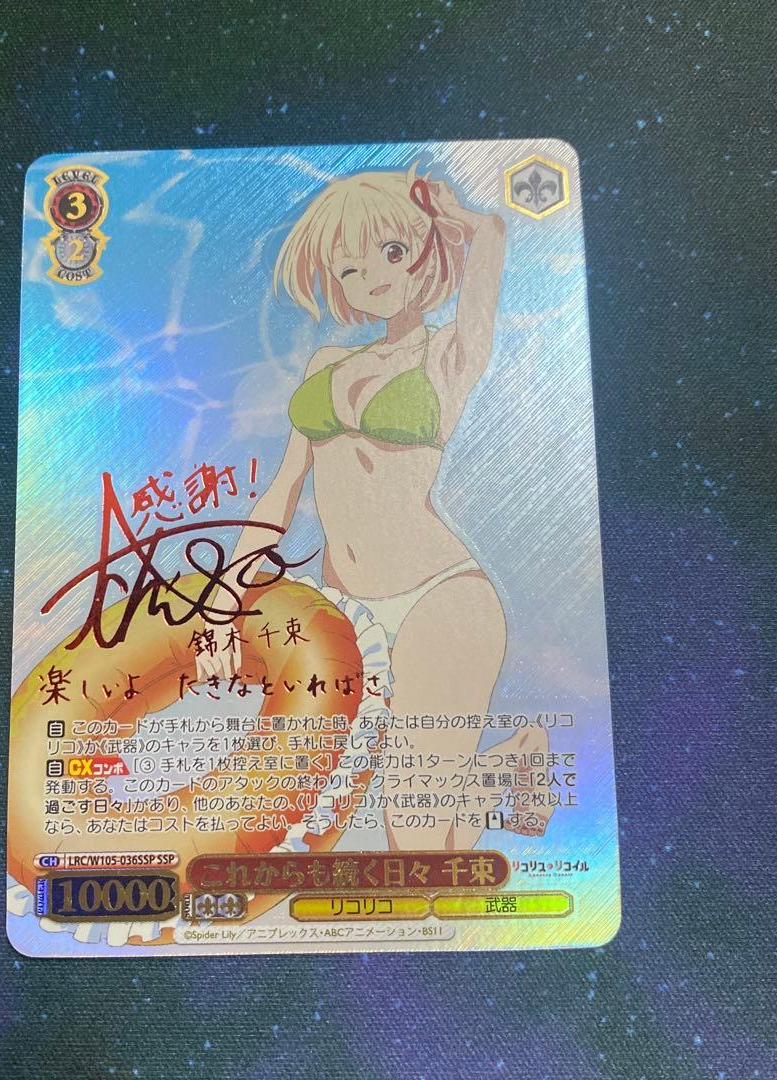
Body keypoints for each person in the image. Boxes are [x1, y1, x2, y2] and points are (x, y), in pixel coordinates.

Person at [198, 162, 551, 850]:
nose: (375, 277)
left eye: (392, 251)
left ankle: (505, 765)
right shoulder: (326, 362)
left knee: (413, 840)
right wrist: (223, 598)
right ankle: (509, 761)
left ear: (425, 248)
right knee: (405, 829)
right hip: (349, 612)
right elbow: (282, 489)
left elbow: (490, 246)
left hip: (438, 599)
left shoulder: (450, 354)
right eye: (352, 268)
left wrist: (464, 220)